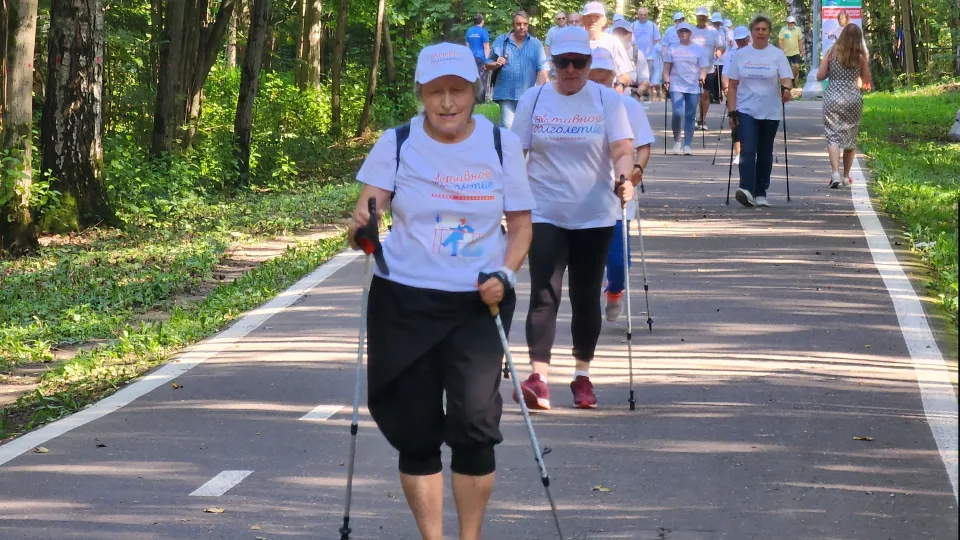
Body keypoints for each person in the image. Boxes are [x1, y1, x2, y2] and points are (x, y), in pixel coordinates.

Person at [348, 42, 536, 540]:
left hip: (479, 299)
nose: (447, 102)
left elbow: (520, 227)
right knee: (415, 428)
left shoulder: (501, 144)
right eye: (436, 92)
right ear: (421, 94)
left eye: (457, 91)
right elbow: (366, 212)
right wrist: (364, 229)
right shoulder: (397, 142)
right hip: (404, 299)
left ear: (475, 92)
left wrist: (506, 274)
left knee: (474, 423)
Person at [510, 26, 636, 410]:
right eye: (561, 62)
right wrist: (509, 200)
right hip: (545, 210)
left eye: (577, 63)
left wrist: (625, 177)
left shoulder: (605, 100)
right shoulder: (534, 100)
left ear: (588, 63)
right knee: (544, 295)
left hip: (595, 214)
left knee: (585, 297)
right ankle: (538, 379)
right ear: (552, 62)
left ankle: (582, 376)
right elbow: (516, 154)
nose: (569, 70)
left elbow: (622, 148)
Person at [588, 48, 655, 322]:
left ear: (614, 78)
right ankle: (586, 309)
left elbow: (644, 146)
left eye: (604, 77)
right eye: (594, 77)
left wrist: (638, 168)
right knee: (588, 261)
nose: (599, 83)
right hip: (583, 195)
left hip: (618, 194)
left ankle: (615, 289)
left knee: (617, 261)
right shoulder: (574, 108)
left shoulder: (629, 107)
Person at [725, 14, 794, 208]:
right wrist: (732, 112)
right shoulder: (741, 55)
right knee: (747, 149)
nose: (760, 33)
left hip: (770, 111)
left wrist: (786, 90)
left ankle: (761, 191)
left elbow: (786, 78)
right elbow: (732, 85)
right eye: (757, 29)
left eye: (764, 29)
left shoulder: (777, 55)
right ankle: (746, 190)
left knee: (765, 152)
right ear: (752, 32)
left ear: (769, 33)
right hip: (746, 109)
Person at [817, 23, 872, 188]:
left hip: (832, 97)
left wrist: (830, 73)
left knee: (832, 136)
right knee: (850, 138)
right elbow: (867, 79)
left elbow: (820, 76)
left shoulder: (831, 53)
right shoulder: (860, 57)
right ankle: (847, 176)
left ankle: (835, 173)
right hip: (853, 99)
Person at [487, 10, 550, 129]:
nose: (522, 27)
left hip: (527, 94)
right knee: (509, 125)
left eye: (525, 24)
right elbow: (486, 64)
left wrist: (543, 92)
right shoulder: (501, 41)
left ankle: (520, 147)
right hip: (505, 93)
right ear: (512, 25)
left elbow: (542, 70)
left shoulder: (536, 45)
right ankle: (507, 146)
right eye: (518, 24)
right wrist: (496, 63)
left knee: (526, 127)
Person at [663, 22, 709, 155]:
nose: (684, 34)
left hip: (693, 85)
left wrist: (702, 77)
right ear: (677, 34)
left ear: (690, 33)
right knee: (678, 113)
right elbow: (666, 69)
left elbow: (704, 67)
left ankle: (687, 144)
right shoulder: (672, 48)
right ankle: (677, 141)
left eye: (686, 32)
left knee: (690, 115)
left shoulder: (698, 49)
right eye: (681, 32)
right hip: (676, 84)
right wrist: (666, 80)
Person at [582, 1, 636, 92]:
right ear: (583, 19)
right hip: (581, 95)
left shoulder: (612, 42)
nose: (592, 20)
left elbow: (625, 76)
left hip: (607, 94)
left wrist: (618, 90)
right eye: (589, 16)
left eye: (597, 17)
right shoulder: (577, 43)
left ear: (604, 21)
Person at [720, 25, 752, 165]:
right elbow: (725, 73)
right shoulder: (732, 54)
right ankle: (739, 153)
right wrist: (726, 87)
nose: (741, 43)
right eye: (738, 40)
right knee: (735, 122)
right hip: (735, 92)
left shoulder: (755, 51)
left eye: (743, 39)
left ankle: (752, 151)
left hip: (752, 93)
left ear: (748, 38)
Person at [691, 6, 725, 126]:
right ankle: (692, 118)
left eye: (703, 16)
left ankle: (702, 119)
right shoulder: (691, 30)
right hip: (692, 68)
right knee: (694, 95)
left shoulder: (713, 32)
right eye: (699, 16)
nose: (701, 18)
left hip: (709, 68)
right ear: (696, 17)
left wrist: (719, 51)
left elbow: (721, 46)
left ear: (706, 17)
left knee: (705, 95)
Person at [612, 18, 650, 97]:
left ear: (631, 35)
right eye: (618, 33)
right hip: (610, 96)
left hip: (631, 97)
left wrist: (637, 95)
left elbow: (645, 81)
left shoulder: (637, 54)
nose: (621, 36)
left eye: (624, 33)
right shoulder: (607, 53)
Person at [632, 7, 661, 99]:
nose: (643, 16)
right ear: (638, 15)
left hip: (649, 56)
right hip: (636, 55)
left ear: (647, 15)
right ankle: (637, 95)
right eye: (641, 15)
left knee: (647, 77)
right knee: (636, 77)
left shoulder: (652, 25)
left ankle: (646, 95)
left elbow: (657, 40)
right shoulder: (633, 25)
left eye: (645, 15)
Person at [465, 14, 491, 103]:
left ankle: (472, 99)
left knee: (472, 78)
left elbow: (467, 46)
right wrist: (487, 60)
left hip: (471, 58)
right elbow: (486, 47)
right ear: (482, 21)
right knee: (482, 78)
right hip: (481, 58)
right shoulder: (483, 32)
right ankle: (480, 100)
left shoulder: (469, 31)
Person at [778, 16, 804, 85]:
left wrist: (801, 50)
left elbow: (800, 40)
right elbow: (780, 40)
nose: (791, 24)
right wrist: (782, 49)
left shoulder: (798, 29)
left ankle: (792, 79)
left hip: (795, 52)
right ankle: (784, 84)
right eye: (790, 23)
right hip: (786, 53)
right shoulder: (783, 30)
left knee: (796, 66)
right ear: (787, 23)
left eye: (792, 23)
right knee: (785, 69)